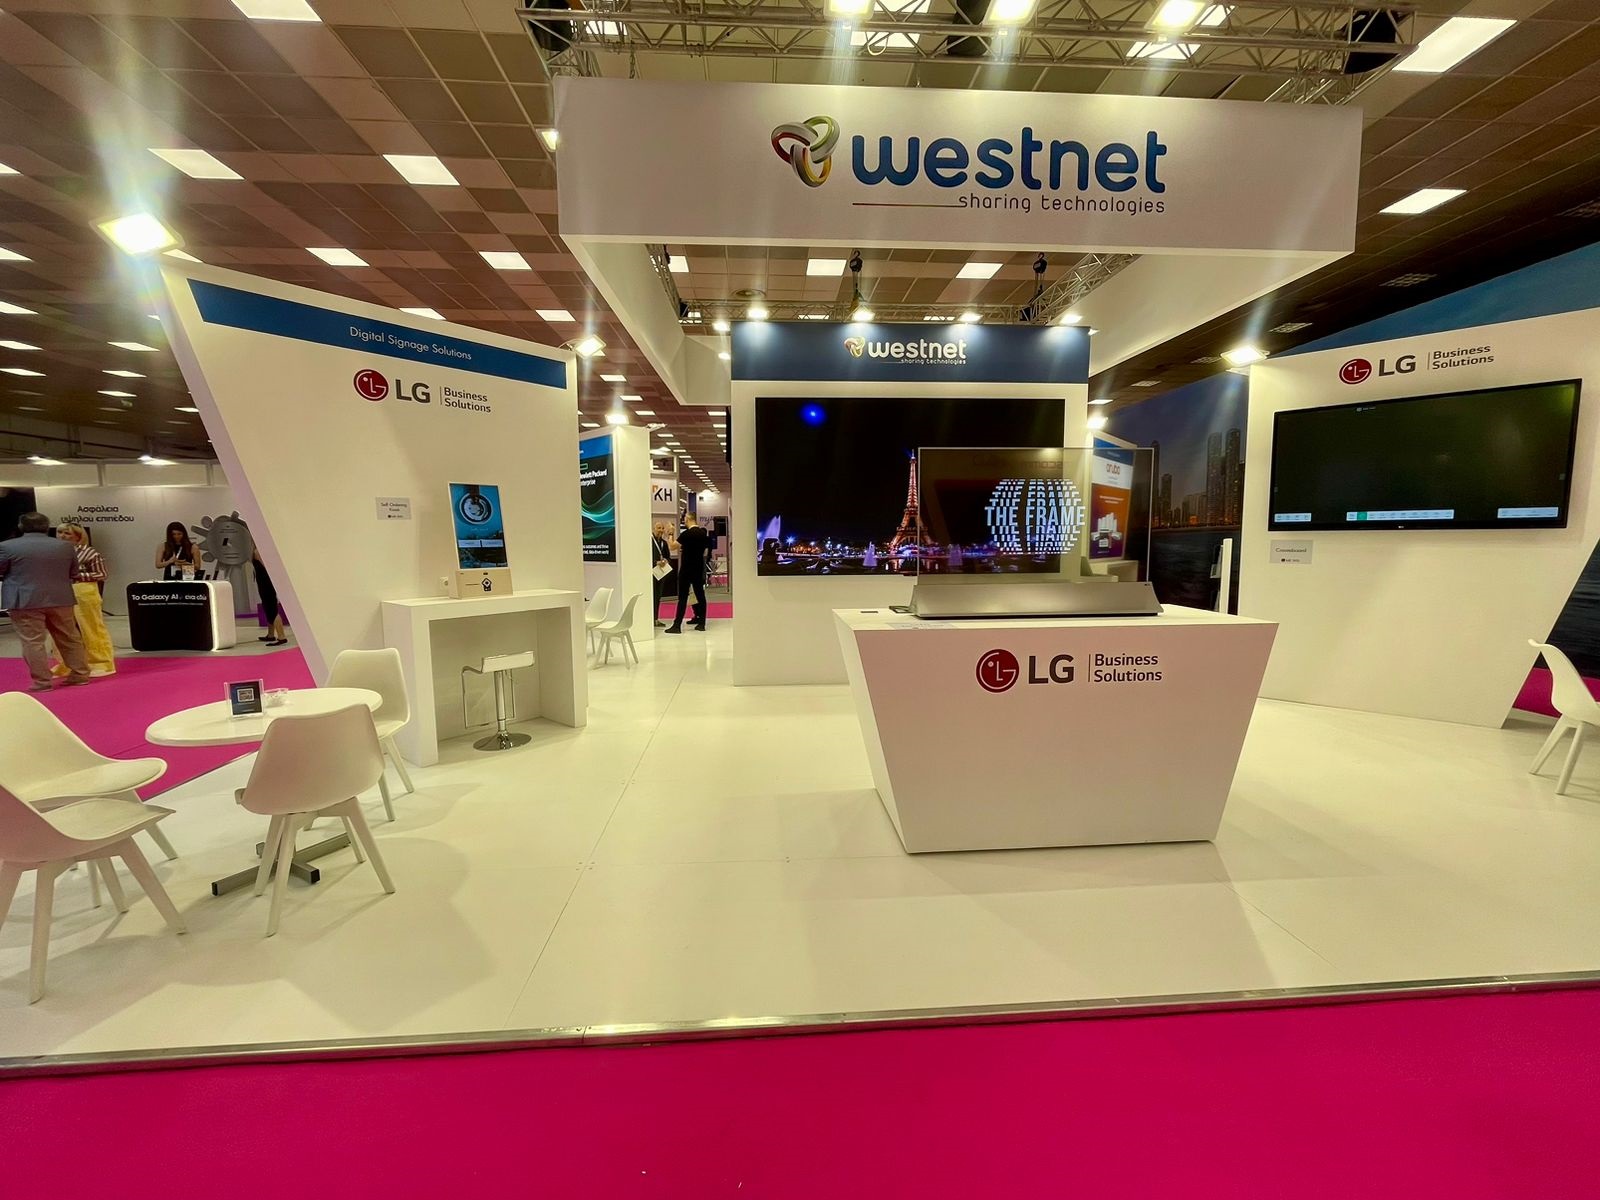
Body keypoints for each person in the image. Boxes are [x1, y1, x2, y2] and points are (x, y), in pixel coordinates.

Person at [0, 512, 90, 691]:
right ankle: (80, 674)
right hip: (61, 598)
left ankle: (42, 682)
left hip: (24, 601)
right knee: (69, 637)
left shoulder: (6, 546)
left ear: (21, 526)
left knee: (33, 641)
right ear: (47, 526)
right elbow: (74, 573)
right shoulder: (66, 547)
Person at [51, 521, 115, 677]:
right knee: (62, 630)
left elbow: (102, 574)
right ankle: (66, 664)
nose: (62, 536)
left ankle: (102, 663)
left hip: (84, 592)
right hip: (60, 592)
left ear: (78, 537)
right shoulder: (52, 552)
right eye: (60, 532)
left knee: (90, 629)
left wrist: (77, 575)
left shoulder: (90, 553)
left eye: (67, 533)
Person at [664, 512, 711, 634]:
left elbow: (672, 546)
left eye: (685, 518)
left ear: (688, 519)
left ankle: (677, 625)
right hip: (698, 568)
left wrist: (670, 533)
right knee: (700, 595)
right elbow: (705, 550)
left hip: (686, 569)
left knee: (683, 597)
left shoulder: (687, 534)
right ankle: (702, 623)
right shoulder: (702, 534)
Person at [252, 546, 287, 646]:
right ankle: (270, 634)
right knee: (268, 607)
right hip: (264, 583)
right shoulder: (262, 551)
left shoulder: (258, 552)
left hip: (266, 583)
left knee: (272, 609)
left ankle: (281, 636)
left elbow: (268, 567)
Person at [651, 521, 675, 628]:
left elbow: (668, 557)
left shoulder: (664, 543)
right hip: (651, 574)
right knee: (652, 597)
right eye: (658, 528)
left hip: (661, 574)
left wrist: (666, 560)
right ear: (654, 529)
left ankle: (656, 619)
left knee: (658, 597)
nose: (661, 530)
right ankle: (650, 619)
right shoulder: (649, 541)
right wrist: (655, 562)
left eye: (662, 528)